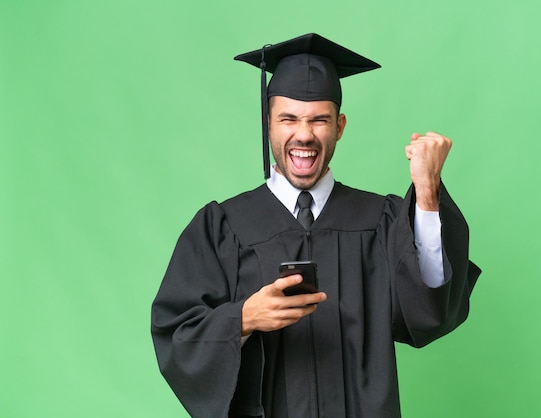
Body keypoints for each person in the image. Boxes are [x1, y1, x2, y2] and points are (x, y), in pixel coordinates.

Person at [151, 33, 481, 418]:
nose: (304, 134)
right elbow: (175, 335)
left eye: (319, 119)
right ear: (267, 124)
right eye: (288, 118)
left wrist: (427, 192)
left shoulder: (380, 221)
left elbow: (430, 313)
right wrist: (242, 319)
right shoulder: (222, 227)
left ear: (339, 126)